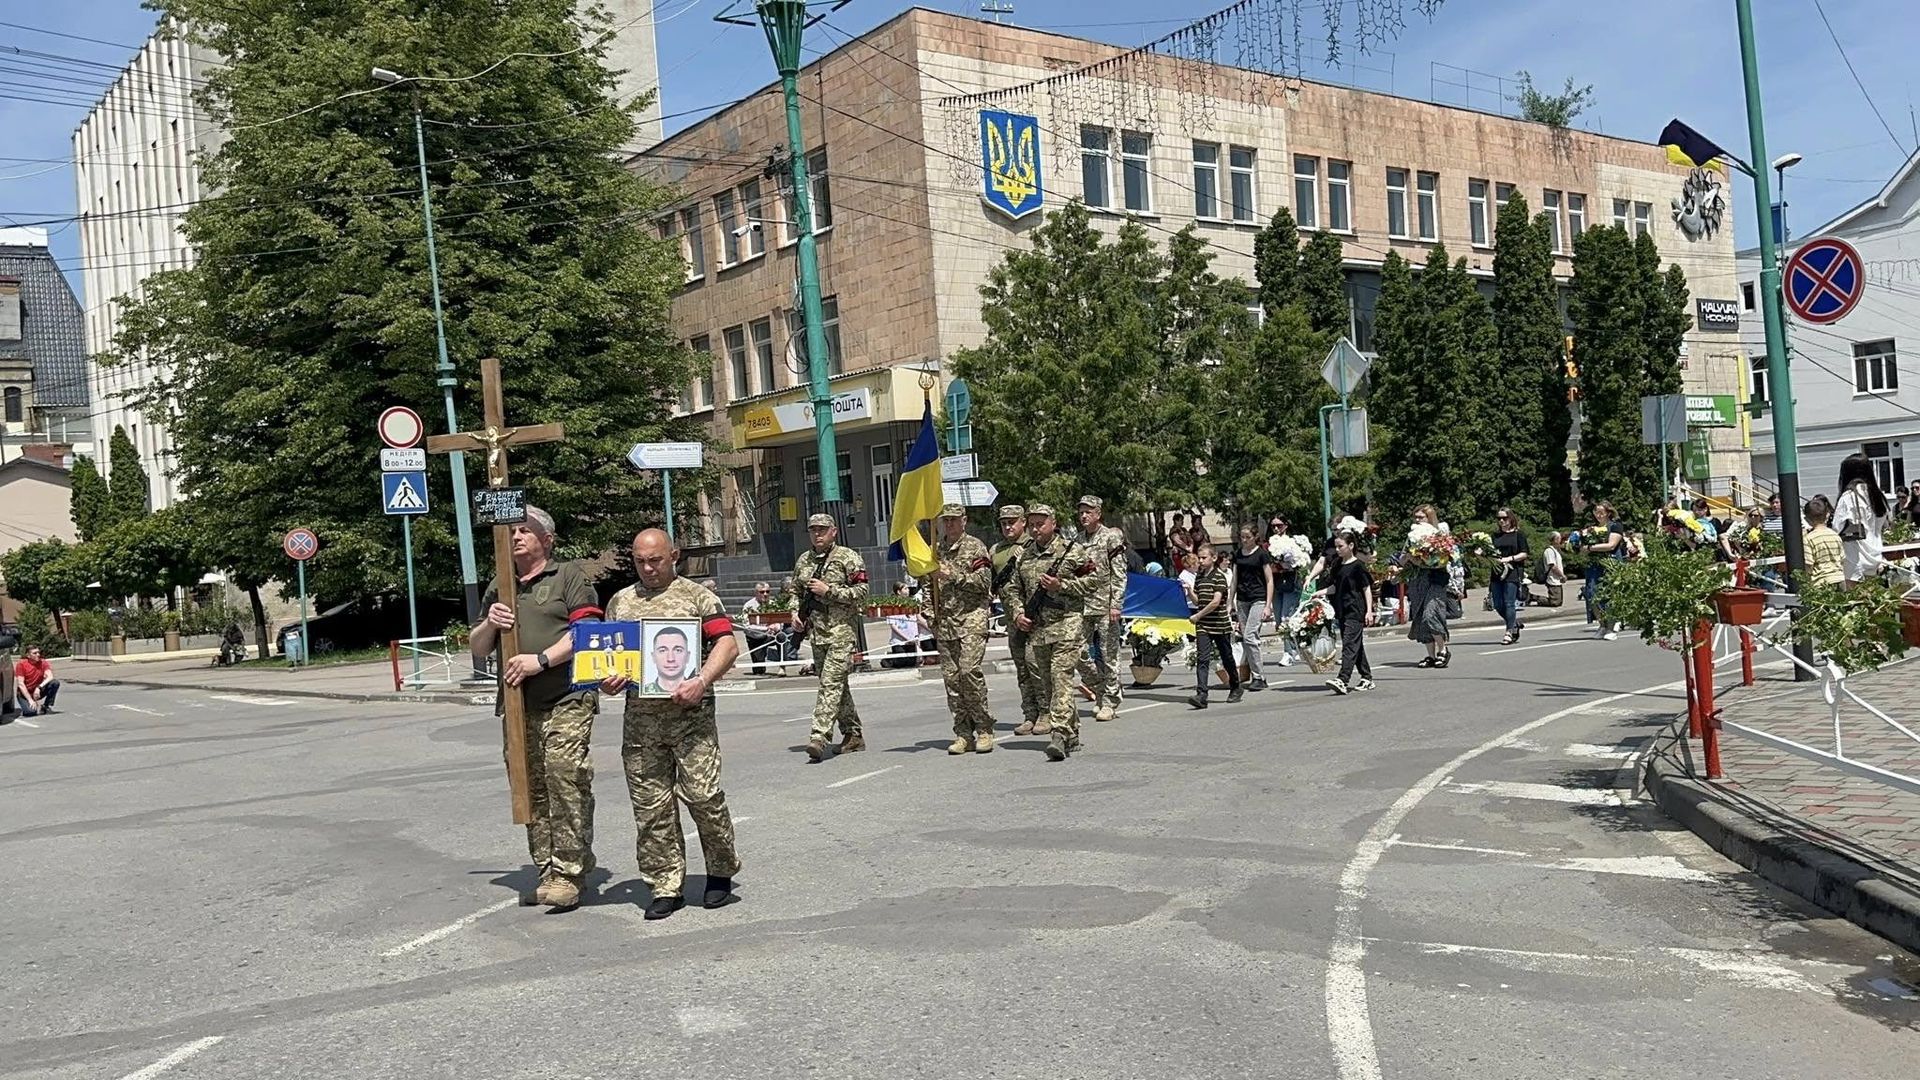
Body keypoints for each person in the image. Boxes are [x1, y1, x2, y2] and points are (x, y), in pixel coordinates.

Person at [600, 529, 742, 919]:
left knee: (704, 798)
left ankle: (720, 870)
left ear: (674, 555)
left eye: (656, 560)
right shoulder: (621, 603)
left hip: (691, 721)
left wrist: (702, 680)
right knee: (651, 809)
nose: (647, 568)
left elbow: (728, 644)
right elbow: (610, 659)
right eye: (640, 561)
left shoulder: (698, 598)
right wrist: (609, 681)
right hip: (642, 725)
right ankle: (665, 884)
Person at [468, 506, 603, 912]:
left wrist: (540, 660)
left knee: (564, 774)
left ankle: (570, 870)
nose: (516, 536)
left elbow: (587, 633)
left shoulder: (568, 576)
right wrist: (491, 622)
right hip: (517, 701)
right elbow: (477, 647)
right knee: (528, 785)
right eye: (511, 531)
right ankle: (546, 870)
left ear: (547, 539)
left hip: (566, 694)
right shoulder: (501, 584)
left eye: (526, 530)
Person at [1010, 504, 1097, 761]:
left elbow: (1093, 581)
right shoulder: (1023, 556)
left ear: (1053, 522)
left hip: (1067, 623)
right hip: (1038, 628)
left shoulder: (1072, 551)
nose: (1036, 529)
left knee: (1061, 678)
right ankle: (1072, 733)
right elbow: (1013, 589)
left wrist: (1063, 585)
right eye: (1032, 524)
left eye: (1041, 523)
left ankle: (1058, 735)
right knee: (1049, 685)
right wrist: (1017, 614)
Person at [790, 513, 870, 762]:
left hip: (842, 633)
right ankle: (853, 734)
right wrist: (795, 612)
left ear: (833, 532)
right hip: (817, 634)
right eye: (813, 530)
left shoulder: (848, 557)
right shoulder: (804, 560)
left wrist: (830, 591)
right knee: (838, 687)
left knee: (830, 684)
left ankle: (819, 736)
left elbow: (863, 591)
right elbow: (795, 590)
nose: (817, 534)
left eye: (822, 530)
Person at [931, 503, 995, 754]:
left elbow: (983, 583)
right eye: (946, 521)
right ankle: (963, 733)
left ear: (964, 521)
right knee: (952, 681)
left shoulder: (975, 547)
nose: (949, 525)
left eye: (954, 520)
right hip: (946, 621)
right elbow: (929, 584)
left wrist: (952, 575)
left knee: (969, 672)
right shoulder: (937, 549)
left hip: (972, 618)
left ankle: (984, 729)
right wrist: (928, 612)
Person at [1072, 495, 1131, 722]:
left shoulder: (1111, 537)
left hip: (1106, 606)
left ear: (1098, 513)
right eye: (1081, 512)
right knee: (1077, 652)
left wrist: (1116, 604)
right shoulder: (1077, 541)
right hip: (1082, 606)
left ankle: (1109, 702)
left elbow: (1119, 573)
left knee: (1109, 656)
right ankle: (1099, 689)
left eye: (1088, 512)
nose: (1084, 516)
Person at [991, 504, 1046, 734]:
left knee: (1036, 665)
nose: (1007, 526)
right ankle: (1030, 714)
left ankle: (1046, 712)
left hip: (1035, 615)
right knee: (1022, 668)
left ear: (1023, 522)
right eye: (1004, 522)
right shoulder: (996, 550)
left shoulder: (1032, 545)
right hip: (1012, 615)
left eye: (1012, 521)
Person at [1186, 540, 1243, 709]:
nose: (1201, 561)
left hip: (1219, 624)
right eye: (1199, 558)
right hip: (1204, 625)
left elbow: (1215, 602)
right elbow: (1199, 600)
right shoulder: (1200, 576)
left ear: (1214, 557)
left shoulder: (1219, 577)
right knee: (1202, 658)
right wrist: (1190, 592)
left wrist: (1197, 616)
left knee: (1227, 657)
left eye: (1204, 558)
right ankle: (1202, 694)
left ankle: (1235, 686)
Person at [1322, 531, 1376, 694]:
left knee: (1349, 644)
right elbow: (1335, 587)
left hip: (1355, 609)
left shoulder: (1358, 566)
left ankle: (1343, 679)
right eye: (1336, 546)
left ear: (1351, 546)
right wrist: (1321, 592)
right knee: (1356, 645)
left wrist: (1369, 611)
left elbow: (1366, 588)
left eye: (1341, 546)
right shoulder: (1338, 565)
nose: (1337, 550)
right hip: (1342, 609)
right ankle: (1367, 677)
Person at [1404, 504, 1454, 669]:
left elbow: (1447, 558)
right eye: (1416, 517)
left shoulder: (1439, 536)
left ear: (1430, 518)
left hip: (1435, 579)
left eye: (1421, 517)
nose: (1418, 520)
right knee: (1420, 616)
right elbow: (1404, 556)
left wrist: (1425, 559)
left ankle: (1443, 650)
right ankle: (1430, 655)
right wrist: (1408, 559)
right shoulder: (1412, 536)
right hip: (1418, 580)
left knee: (1431, 613)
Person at [1833, 452, 1889, 587]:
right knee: (1873, 601)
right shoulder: (1878, 495)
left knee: (1855, 602)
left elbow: (1837, 527)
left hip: (1855, 557)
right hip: (1876, 554)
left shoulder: (1849, 496)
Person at [1230, 523, 1275, 691]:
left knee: (1250, 636)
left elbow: (1269, 580)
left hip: (1258, 598)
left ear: (1255, 537)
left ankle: (1259, 676)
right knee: (1245, 637)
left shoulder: (1262, 555)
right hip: (1242, 599)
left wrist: (1268, 605)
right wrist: (1230, 601)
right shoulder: (1238, 555)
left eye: (1247, 537)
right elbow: (1234, 579)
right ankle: (1249, 673)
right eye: (1241, 537)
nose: (1244, 540)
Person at [1488, 507, 1531, 646]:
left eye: (1504, 518)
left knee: (1509, 602)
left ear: (1511, 519)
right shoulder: (1495, 536)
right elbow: (1490, 553)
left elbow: (1524, 553)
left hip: (1512, 571)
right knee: (1498, 604)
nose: (1501, 521)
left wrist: (1509, 558)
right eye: (1499, 518)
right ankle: (1514, 623)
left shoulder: (1518, 535)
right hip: (1497, 572)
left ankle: (1509, 631)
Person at [1585, 502, 1626, 640]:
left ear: (1608, 512)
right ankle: (1602, 624)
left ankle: (1611, 626)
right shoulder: (1591, 529)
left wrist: (1590, 547)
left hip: (1611, 562)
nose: (1599, 515)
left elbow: (1611, 545)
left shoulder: (1615, 525)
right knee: (1592, 593)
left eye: (1601, 512)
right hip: (1594, 564)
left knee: (1610, 595)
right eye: (1596, 512)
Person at [1267, 516, 1303, 665]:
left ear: (1286, 526)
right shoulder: (1268, 544)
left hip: (1290, 582)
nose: (1276, 529)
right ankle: (1294, 647)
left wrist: (1285, 564)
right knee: (1278, 619)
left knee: (1285, 617)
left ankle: (1288, 652)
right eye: (1273, 526)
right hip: (1274, 584)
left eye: (1279, 525)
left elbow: (1299, 561)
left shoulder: (1292, 542)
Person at [1803, 496, 1845, 587]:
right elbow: (1842, 559)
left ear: (1806, 519)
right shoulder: (1835, 535)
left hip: (1821, 582)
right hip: (1839, 578)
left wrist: (1806, 581)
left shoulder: (1808, 539)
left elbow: (1809, 564)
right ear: (1827, 515)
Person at [640, 625, 692, 695]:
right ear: (653, 657)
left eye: (678, 650)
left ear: (688, 656)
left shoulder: (696, 691)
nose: (670, 659)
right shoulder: (644, 690)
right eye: (663, 651)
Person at [14, 644, 59, 716]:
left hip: (37, 692)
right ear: (28, 655)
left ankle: (45, 706)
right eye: (34, 653)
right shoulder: (21, 664)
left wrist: (39, 687)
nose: (38, 655)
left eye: (38, 652)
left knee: (55, 683)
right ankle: (29, 706)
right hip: (24, 694)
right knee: (30, 712)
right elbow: (21, 684)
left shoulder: (42, 662)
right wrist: (30, 700)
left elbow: (50, 676)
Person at [1541, 532, 1566, 608]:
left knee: (1559, 602)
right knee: (1555, 602)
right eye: (1558, 538)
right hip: (1552, 578)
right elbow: (1553, 566)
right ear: (1554, 540)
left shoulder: (1556, 551)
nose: (1560, 540)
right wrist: (1562, 576)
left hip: (1557, 579)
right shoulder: (1549, 551)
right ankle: (1534, 598)